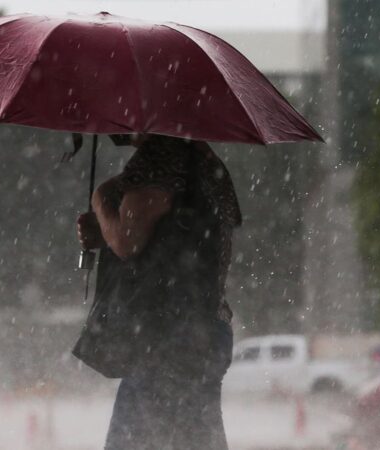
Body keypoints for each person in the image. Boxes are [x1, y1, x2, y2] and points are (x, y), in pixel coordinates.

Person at [74, 133, 242, 450]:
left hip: (164, 338)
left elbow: (127, 240)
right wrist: (105, 231)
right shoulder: (206, 162)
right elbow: (173, 238)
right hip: (206, 331)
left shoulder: (161, 156)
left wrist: (100, 201)